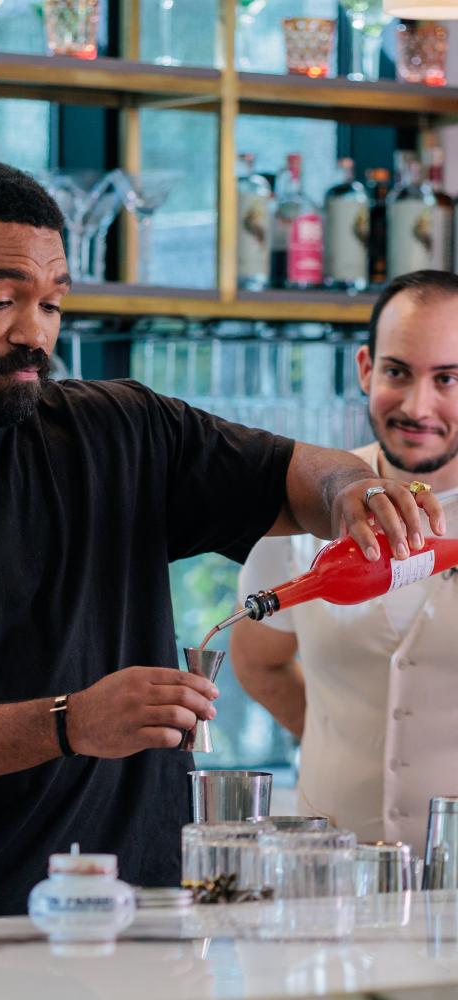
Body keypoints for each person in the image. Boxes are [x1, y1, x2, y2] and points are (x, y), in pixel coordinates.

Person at [0, 159, 439, 926]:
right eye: (0, 300)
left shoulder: (121, 430)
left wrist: (351, 490)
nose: (33, 332)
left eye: (52, 302)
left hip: (142, 928)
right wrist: (70, 722)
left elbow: (298, 475)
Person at [231, 269, 458, 851]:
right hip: (332, 873)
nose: (417, 405)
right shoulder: (307, 504)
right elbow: (259, 663)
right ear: (365, 368)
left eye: (448, 378)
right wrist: (341, 747)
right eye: (396, 371)